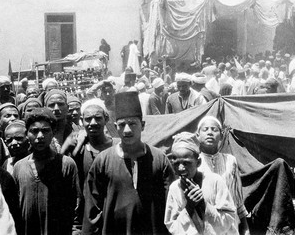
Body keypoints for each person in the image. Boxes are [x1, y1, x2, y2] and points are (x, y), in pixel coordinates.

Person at [83, 91, 175, 234]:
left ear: (142, 125)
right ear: (115, 126)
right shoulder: (103, 160)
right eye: (121, 125)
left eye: (132, 124)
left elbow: (171, 205)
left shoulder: (159, 159)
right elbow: (92, 209)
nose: (127, 130)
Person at [13, 108, 80, 235]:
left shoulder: (66, 164)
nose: (40, 136)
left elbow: (75, 204)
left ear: (53, 132)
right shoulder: (19, 167)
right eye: (34, 131)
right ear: (27, 133)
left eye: (45, 131)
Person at [165, 131, 239, 235]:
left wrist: (202, 204)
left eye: (186, 163)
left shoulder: (215, 181)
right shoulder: (175, 188)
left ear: (198, 162)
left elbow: (229, 219)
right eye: (176, 164)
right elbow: (173, 227)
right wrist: (189, 206)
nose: (181, 168)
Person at [69, 99, 119, 233]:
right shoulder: (79, 150)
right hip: (88, 217)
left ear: (106, 118)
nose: (93, 123)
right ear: (82, 120)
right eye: (88, 119)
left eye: (98, 118)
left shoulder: (118, 146)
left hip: (116, 213)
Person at [196, 116, 249, 235]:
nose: (210, 133)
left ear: (221, 135)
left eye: (214, 130)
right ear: (197, 135)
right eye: (205, 129)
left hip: (230, 225)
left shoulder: (231, 161)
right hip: (205, 226)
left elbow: (238, 199)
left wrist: (245, 229)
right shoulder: (194, 163)